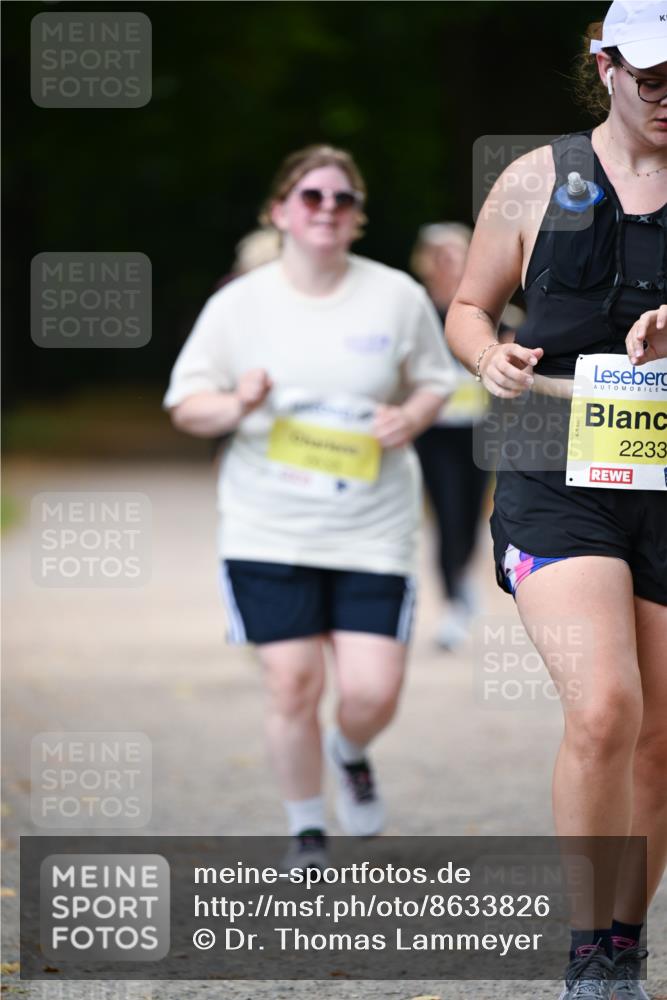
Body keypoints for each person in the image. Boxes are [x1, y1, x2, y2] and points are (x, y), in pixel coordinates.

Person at [446, 2, 667, 998]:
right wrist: (488, 354)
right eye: (652, 72)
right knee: (605, 708)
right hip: (552, 469)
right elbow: (466, 305)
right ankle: (586, 950)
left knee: (660, 734)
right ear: (606, 64)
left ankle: (624, 938)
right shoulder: (536, 178)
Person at [164, 144, 456, 869]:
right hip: (269, 526)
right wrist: (238, 402)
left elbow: (434, 380)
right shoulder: (238, 305)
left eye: (342, 200)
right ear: (279, 212)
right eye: (311, 197)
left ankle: (349, 749)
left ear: (357, 217)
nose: (326, 210)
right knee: (292, 680)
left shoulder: (394, 294)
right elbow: (185, 405)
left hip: (371, 527)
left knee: (370, 690)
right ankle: (305, 830)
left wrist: (409, 419)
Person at [410, 224, 523, 649]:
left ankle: (461, 582)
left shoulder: (495, 314)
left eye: (456, 254)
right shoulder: (416, 311)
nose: (448, 263)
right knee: (446, 515)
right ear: (426, 262)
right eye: (439, 256)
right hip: (433, 432)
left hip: (481, 433)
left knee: (473, 516)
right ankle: (454, 602)